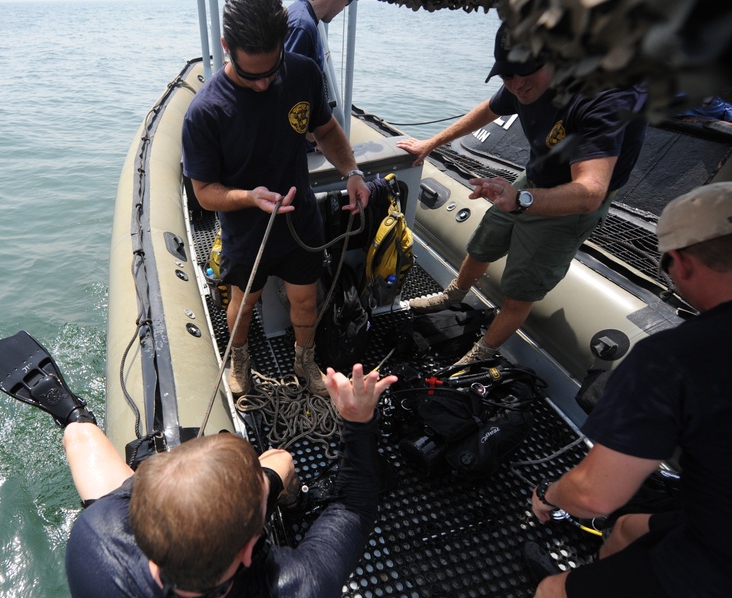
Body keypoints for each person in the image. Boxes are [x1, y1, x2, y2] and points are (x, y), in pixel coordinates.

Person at [435, 182, 732, 598]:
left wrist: (549, 495)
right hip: (708, 517)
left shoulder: (678, 358)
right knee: (630, 528)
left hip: (718, 574)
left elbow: (595, 496)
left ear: (683, 263)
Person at [65, 363, 397, 598]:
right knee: (278, 462)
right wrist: (358, 421)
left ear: (136, 520)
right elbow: (355, 507)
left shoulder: (91, 545)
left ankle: (70, 414)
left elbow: (114, 478)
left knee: (79, 435)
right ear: (251, 549)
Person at [396, 24, 647, 366]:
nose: (517, 85)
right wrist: (432, 142)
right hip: (535, 176)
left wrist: (522, 201)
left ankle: (480, 354)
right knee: (484, 241)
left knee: (519, 293)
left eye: (527, 73)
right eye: (507, 75)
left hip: (570, 202)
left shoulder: (603, 97)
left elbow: (590, 192)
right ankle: (453, 294)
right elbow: (490, 108)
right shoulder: (518, 83)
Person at [182, 0, 370, 398]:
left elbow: (327, 129)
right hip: (247, 231)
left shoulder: (304, 72)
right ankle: (240, 358)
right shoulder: (205, 112)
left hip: (300, 222)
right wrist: (250, 197)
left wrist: (351, 172)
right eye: (253, 76)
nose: (265, 84)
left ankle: (305, 360)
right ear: (226, 46)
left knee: (305, 301)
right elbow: (204, 193)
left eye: (271, 71)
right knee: (244, 304)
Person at [285, 0, 354, 72]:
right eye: (348, 2)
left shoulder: (303, 16)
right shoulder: (302, 27)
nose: (342, 9)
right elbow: (287, 79)